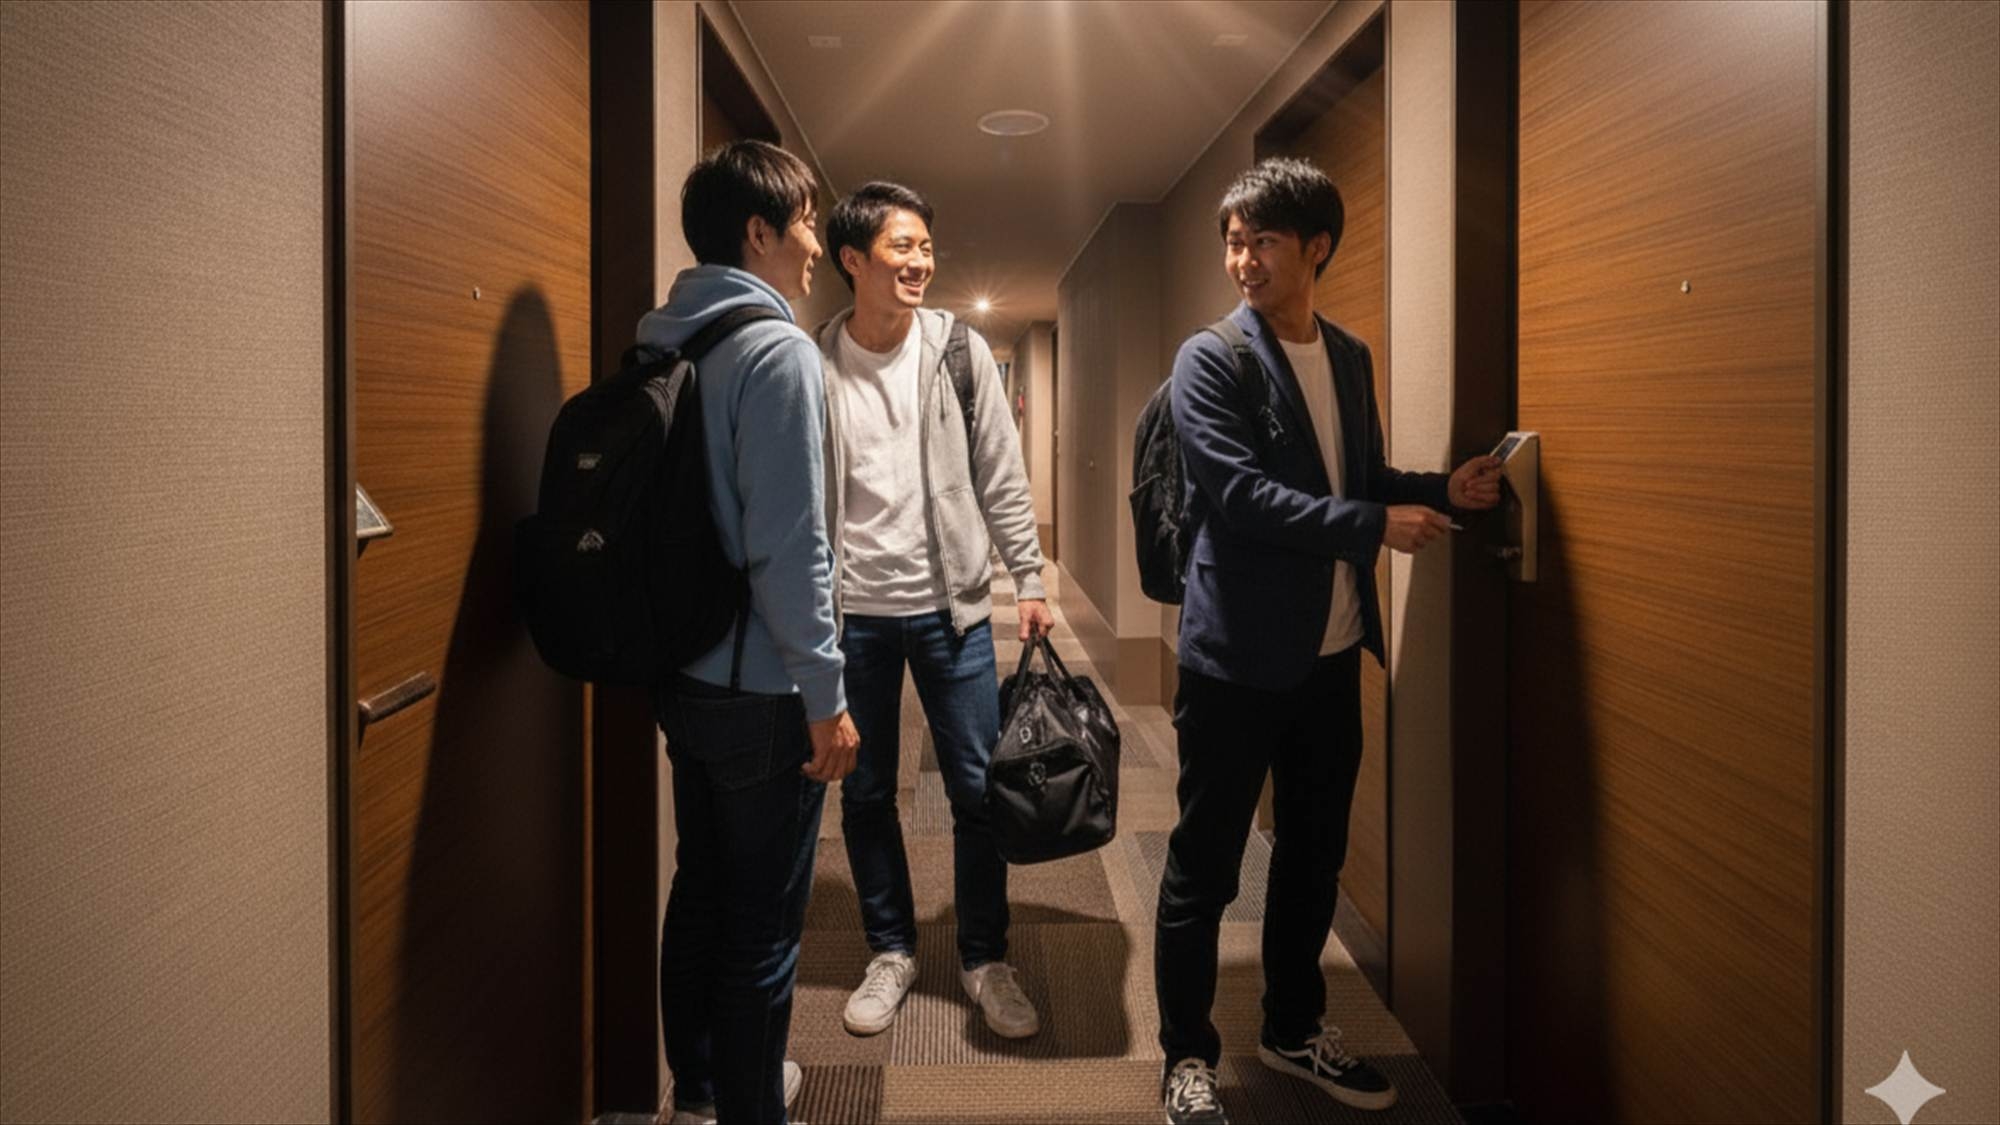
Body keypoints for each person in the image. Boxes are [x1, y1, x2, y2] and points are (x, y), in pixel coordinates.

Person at [1155, 157, 1503, 1124]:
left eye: (1262, 242)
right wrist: (1372, 525)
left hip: (1330, 657)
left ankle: (1293, 1025)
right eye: (1234, 242)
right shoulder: (1211, 358)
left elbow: (1358, 473)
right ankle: (1185, 1054)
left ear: (1316, 248)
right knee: (1204, 865)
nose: (1243, 260)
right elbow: (1240, 496)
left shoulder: (1348, 355)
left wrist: (1436, 489)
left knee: (1313, 855)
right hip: (1234, 662)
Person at [639, 139, 861, 1125]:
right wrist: (827, 697)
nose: (816, 243)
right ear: (759, 232)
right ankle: (749, 1107)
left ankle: (697, 1093)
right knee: (762, 929)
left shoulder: (667, 342)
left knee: (699, 887)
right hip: (763, 691)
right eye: (806, 221)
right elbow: (791, 548)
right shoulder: (775, 353)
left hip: (682, 672)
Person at [811, 181, 1053, 1042]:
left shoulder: (957, 350)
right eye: (901, 247)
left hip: (951, 612)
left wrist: (1029, 576)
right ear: (852, 259)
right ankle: (890, 948)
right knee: (866, 792)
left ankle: (986, 957)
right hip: (855, 616)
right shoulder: (814, 361)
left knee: (979, 791)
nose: (920, 262)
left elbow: (1000, 472)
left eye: (925, 247)